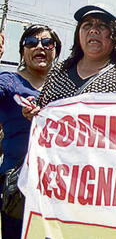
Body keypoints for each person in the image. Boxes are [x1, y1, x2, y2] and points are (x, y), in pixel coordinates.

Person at [24, 5, 116, 114]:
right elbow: (42, 107)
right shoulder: (59, 71)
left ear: (115, 36)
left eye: (102, 26)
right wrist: (33, 110)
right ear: (78, 34)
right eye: (87, 25)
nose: (93, 30)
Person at [0, 24, 61, 237]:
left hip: (55, 187)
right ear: (22, 50)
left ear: (56, 50)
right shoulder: (7, 82)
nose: (40, 47)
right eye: (31, 43)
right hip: (16, 186)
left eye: (47, 43)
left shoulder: (65, 88)